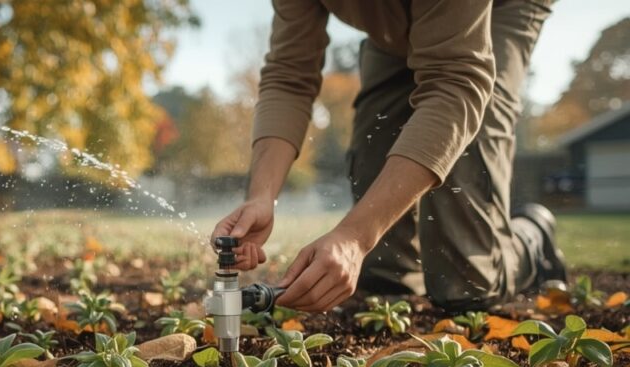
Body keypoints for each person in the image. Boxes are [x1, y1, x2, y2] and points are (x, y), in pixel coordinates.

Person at [212, 0, 566, 313]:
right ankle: (400, 294)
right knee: (383, 272)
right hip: (394, 27)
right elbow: (289, 76)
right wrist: (262, 196)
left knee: (465, 284)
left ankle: (534, 239)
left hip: (491, 14)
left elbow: (455, 82)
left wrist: (354, 237)